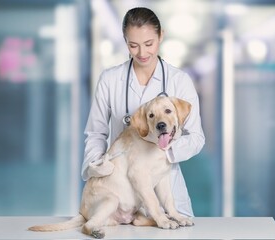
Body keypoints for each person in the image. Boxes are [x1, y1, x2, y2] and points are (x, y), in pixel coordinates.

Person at [81, 7, 205, 217]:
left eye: (149, 44)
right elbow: (96, 133)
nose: (142, 53)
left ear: (161, 36)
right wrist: (96, 164)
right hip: (123, 195)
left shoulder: (179, 80)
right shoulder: (110, 79)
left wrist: (162, 150)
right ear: (125, 41)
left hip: (167, 190)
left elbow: (196, 137)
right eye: (133, 45)